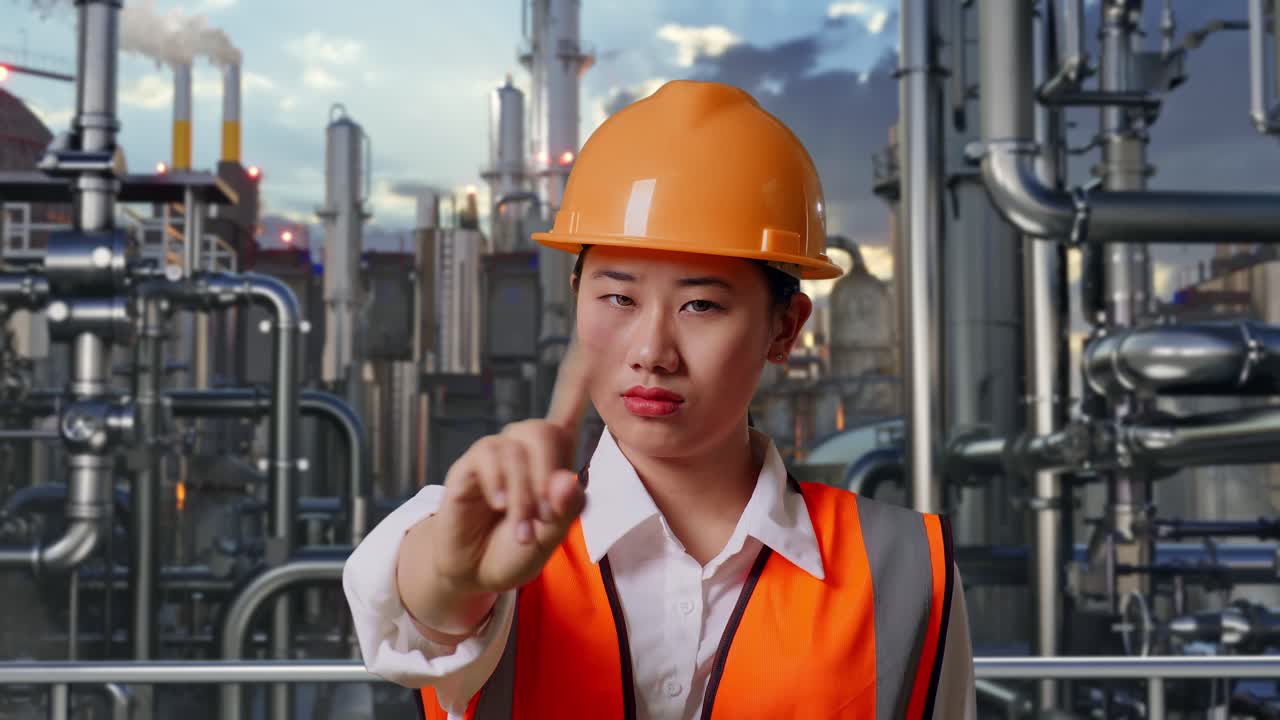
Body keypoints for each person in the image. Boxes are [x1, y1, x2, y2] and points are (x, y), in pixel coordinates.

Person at [344, 79, 976, 719]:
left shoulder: (906, 570)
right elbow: (408, 610)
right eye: (619, 298)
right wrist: (455, 575)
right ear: (575, 298)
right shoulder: (492, 540)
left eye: (701, 304)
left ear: (784, 328)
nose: (652, 351)